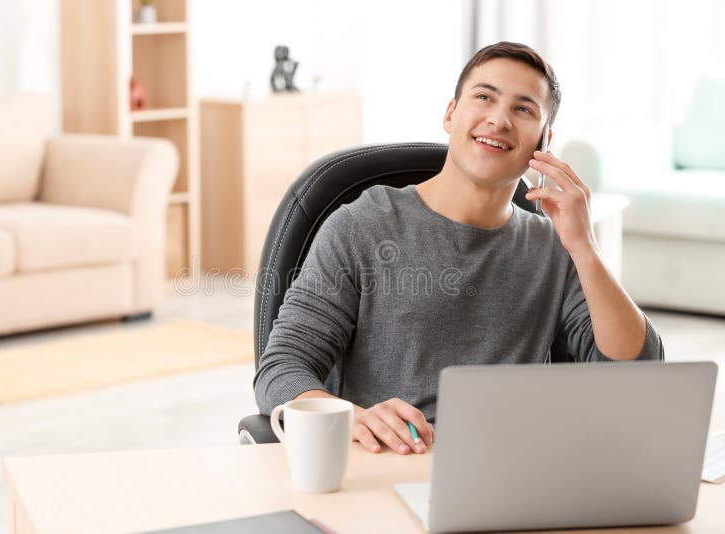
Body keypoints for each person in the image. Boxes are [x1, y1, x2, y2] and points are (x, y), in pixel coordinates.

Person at [253, 41, 664, 456]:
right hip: (393, 463)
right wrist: (351, 416)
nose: (499, 119)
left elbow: (637, 370)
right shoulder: (363, 226)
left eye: (524, 109)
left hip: (514, 470)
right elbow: (281, 370)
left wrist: (586, 248)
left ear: (545, 139)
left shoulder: (555, 248)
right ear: (451, 114)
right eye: (484, 97)